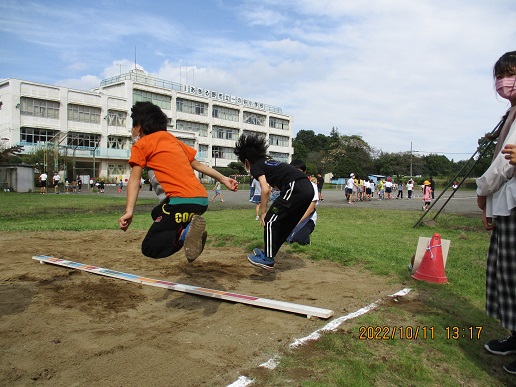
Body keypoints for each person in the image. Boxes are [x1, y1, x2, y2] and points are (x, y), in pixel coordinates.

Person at [118, 101, 238, 261]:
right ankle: (188, 230)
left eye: (133, 127)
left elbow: (134, 179)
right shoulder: (173, 140)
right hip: (201, 201)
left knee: (150, 246)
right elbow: (198, 165)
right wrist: (223, 179)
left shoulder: (142, 145)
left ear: (139, 127)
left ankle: (184, 234)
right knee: (157, 213)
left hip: (180, 203)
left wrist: (129, 211)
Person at [477, 51, 516, 375]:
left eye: (512, 73)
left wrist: (481, 189)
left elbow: (504, 163)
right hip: (505, 203)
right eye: (501, 75)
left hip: (511, 200)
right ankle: (514, 335)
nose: (505, 82)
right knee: (506, 275)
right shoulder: (511, 114)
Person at [234, 133, 314, 270]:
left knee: (270, 220)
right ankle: (268, 253)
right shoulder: (268, 162)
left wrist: (264, 211)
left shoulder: (255, 166)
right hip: (307, 189)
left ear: (246, 161)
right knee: (285, 223)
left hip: (296, 187)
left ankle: (268, 259)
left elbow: (265, 190)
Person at [286, 160, 319, 245]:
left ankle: (304, 236)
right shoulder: (289, 186)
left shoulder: (312, 186)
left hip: (307, 219)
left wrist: (297, 222)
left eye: (299, 171)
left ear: (304, 172)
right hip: (292, 217)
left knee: (298, 240)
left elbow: (311, 208)